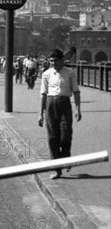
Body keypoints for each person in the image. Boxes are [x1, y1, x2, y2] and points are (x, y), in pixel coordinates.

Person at [38, 49, 81, 179]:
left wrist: (78, 109)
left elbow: (76, 92)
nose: (53, 63)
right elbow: (43, 94)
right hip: (50, 105)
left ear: (62, 60)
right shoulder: (46, 74)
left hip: (65, 105)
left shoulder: (70, 73)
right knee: (52, 138)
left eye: (56, 61)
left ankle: (66, 157)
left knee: (65, 135)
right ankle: (56, 169)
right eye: (51, 61)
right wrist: (40, 114)